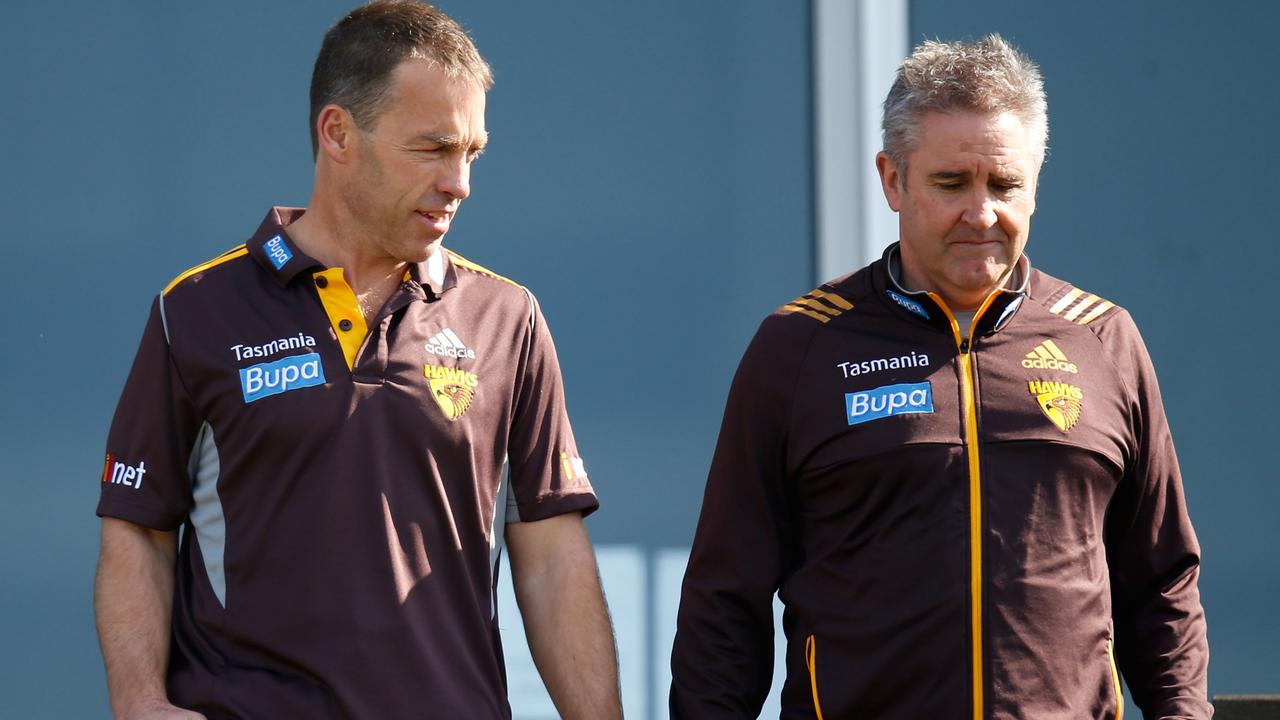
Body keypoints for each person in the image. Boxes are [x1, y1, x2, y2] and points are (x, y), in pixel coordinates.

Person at [94, 2, 622, 718]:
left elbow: (553, 554)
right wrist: (139, 704)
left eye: (472, 152)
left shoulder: (508, 317)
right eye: (433, 148)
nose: (459, 182)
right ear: (338, 133)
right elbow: (139, 527)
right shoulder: (194, 310)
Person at [671, 34, 1209, 719]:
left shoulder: (1104, 339)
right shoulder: (800, 345)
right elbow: (726, 598)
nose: (981, 214)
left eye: (1005, 184)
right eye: (952, 183)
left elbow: (1161, 584)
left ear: (1036, 183)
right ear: (892, 179)